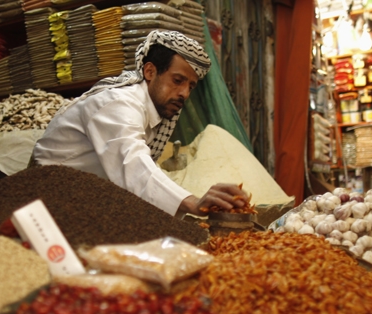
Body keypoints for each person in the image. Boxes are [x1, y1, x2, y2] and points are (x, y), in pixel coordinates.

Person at [32, 30, 248, 217]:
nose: (184, 93)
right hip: (43, 198)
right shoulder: (118, 104)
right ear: (150, 72)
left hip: (79, 197)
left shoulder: (148, 113)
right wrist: (192, 202)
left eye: (190, 86)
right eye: (177, 80)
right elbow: (133, 162)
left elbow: (141, 171)